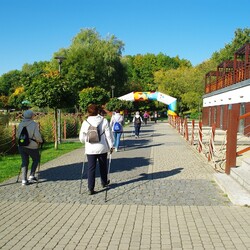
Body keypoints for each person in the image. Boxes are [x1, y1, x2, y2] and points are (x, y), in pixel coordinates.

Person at [79, 104, 114, 195]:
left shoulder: (85, 122)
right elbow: (108, 135)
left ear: (88, 112)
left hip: (90, 149)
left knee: (91, 168)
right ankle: (104, 182)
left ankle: (90, 188)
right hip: (102, 147)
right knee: (103, 166)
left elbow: (81, 138)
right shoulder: (104, 120)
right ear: (98, 111)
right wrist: (111, 146)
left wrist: (87, 140)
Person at [17, 110, 43, 186]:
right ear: (31, 116)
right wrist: (40, 141)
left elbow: (18, 136)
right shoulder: (34, 124)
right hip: (32, 146)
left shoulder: (20, 124)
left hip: (21, 145)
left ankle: (24, 180)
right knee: (36, 159)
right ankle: (31, 175)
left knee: (24, 162)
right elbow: (37, 136)